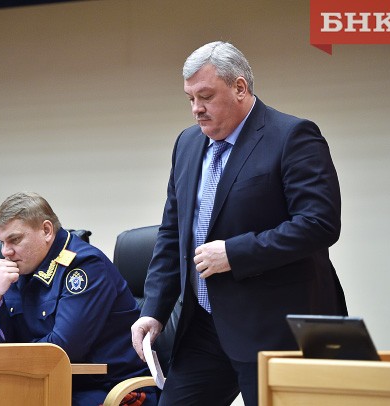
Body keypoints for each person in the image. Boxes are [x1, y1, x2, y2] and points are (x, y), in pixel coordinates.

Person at [131, 41, 347, 406]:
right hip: (203, 326)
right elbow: (173, 233)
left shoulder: (292, 136)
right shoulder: (187, 144)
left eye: (206, 96)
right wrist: (153, 310)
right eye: (190, 99)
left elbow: (319, 223)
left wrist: (235, 253)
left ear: (240, 88)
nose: (196, 109)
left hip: (274, 327)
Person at [0, 192, 156, 406]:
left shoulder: (85, 267)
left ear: (46, 230)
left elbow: (62, 350)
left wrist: (11, 358)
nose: (6, 251)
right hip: (51, 384)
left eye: (15, 240)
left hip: (111, 389)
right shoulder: (18, 270)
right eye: (2, 242)